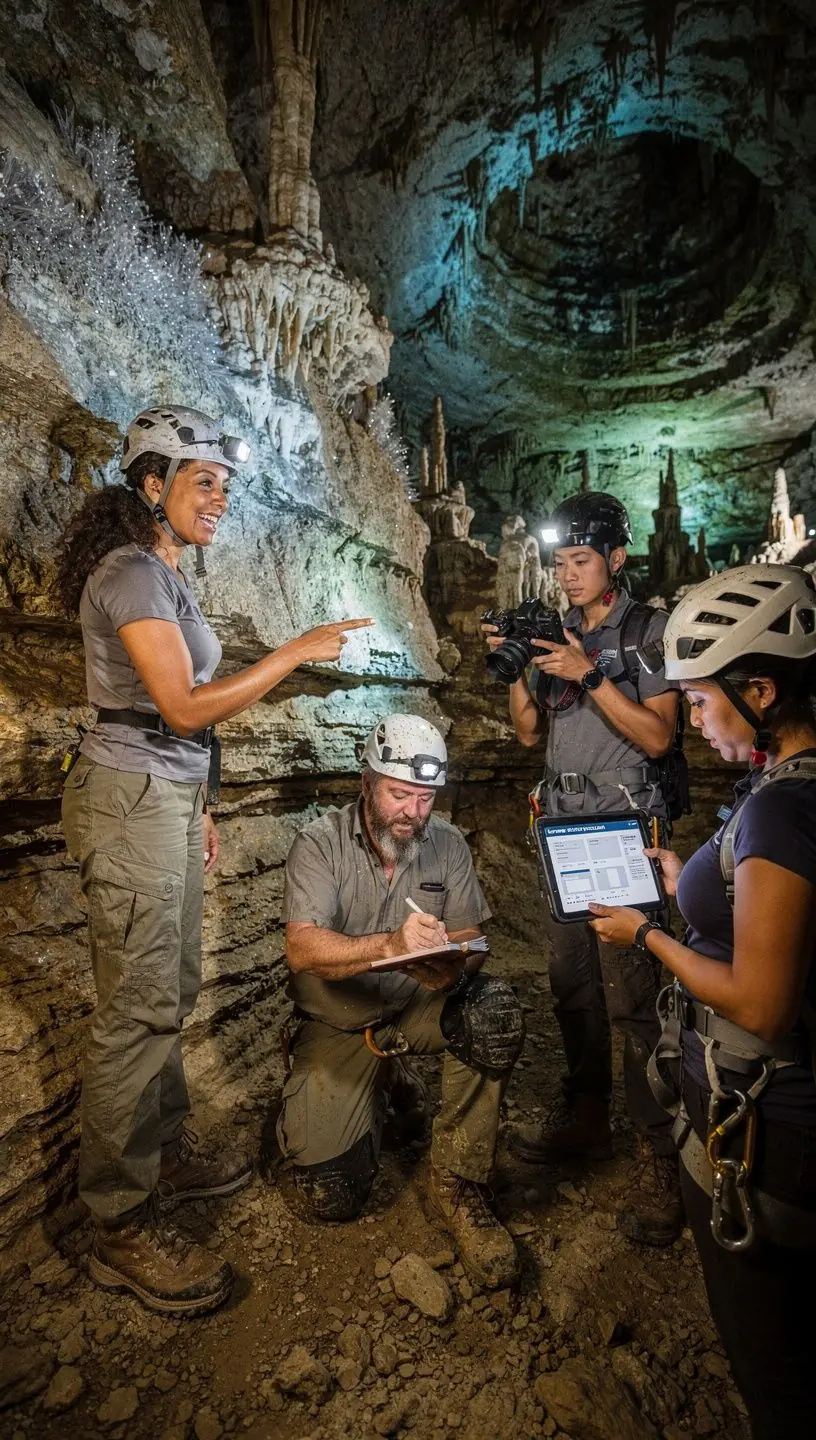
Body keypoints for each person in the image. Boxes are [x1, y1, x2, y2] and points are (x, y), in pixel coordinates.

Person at [54, 405, 371, 1316]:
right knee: (138, 1011)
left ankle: (160, 1148)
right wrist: (294, 653)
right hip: (130, 800)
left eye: (226, 485)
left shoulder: (163, 573)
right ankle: (119, 1221)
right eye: (204, 482)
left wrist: (201, 803)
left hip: (164, 799)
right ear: (152, 484)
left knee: (172, 985)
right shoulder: (129, 574)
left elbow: (182, 722)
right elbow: (183, 707)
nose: (221, 498)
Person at [589, 564, 816, 1439]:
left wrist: (647, 937)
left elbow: (761, 1003)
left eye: (699, 700)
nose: (691, 719)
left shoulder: (781, 813)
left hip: (770, 1129)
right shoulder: (787, 789)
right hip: (782, 1123)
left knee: (776, 1368)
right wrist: (689, 876)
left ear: (760, 691)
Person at [483, 491, 682, 1244]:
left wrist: (589, 673)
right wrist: (516, 664)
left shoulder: (645, 632)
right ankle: (588, 1116)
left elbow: (658, 739)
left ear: (615, 559)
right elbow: (528, 731)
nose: (566, 575)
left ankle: (659, 1153)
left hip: (624, 833)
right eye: (559, 562)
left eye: (580, 560)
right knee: (571, 983)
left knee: (632, 992)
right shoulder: (557, 631)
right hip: (562, 830)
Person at [277, 714, 525, 1289]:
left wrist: (454, 963)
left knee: (492, 1012)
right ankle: (380, 1085)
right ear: (367, 783)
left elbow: (471, 935)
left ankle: (459, 1183)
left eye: (426, 798)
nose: (414, 813)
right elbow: (302, 949)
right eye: (399, 795)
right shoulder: (319, 843)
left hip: (416, 1009)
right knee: (332, 1196)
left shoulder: (448, 843)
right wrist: (388, 946)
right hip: (341, 1023)